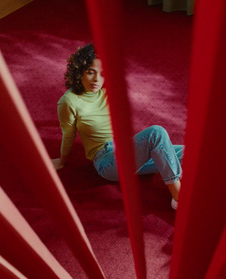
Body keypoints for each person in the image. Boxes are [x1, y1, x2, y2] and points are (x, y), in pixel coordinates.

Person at [52, 44, 184, 210]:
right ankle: (178, 197)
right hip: (106, 161)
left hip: (126, 151)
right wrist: (61, 160)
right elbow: (68, 134)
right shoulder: (68, 101)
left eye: (102, 74)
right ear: (79, 71)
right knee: (156, 133)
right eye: (91, 72)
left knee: (189, 153)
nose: (97, 80)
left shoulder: (105, 94)